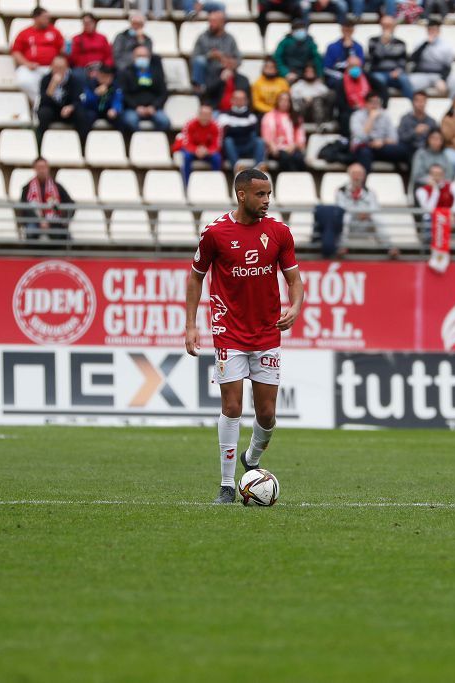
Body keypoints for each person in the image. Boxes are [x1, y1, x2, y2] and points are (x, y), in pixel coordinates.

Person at [185, 168, 304, 504]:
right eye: (260, 194)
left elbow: (295, 280)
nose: (267, 201)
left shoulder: (279, 233)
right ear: (242, 195)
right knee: (232, 405)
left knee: (266, 414)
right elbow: (195, 278)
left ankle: (251, 459)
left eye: (269, 194)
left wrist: (294, 308)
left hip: (267, 332)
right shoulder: (215, 233)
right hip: (229, 332)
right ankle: (225, 485)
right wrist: (191, 325)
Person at [335, 163, 399, 258]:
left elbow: (375, 208)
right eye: (354, 173)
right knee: (345, 217)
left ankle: (390, 248)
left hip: (365, 224)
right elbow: (341, 208)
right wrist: (357, 213)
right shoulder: (341, 191)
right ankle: (342, 247)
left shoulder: (370, 192)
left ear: (363, 176)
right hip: (350, 224)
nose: (356, 177)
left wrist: (367, 214)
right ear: (349, 175)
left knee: (377, 217)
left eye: (359, 174)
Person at [11, 7, 66, 104]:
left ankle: (44, 104)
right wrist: (27, 64)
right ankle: (41, 101)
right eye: (45, 17)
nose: (48, 20)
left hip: (51, 68)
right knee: (22, 81)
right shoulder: (25, 33)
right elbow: (16, 52)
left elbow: (62, 51)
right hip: (32, 68)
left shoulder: (54, 31)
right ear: (36, 18)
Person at [36, 55, 91, 149]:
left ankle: (82, 146)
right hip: (52, 109)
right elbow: (44, 100)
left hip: (68, 110)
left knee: (82, 115)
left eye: (61, 68)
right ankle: (41, 146)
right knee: (43, 113)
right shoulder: (46, 79)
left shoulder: (74, 80)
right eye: (55, 67)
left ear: (66, 68)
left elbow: (78, 99)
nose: (58, 70)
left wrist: (71, 107)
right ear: (51, 67)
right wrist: (52, 85)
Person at [17, 157, 73, 240]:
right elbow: (24, 207)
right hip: (34, 221)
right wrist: (39, 221)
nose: (42, 170)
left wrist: (64, 220)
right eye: (39, 168)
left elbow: (71, 204)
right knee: (31, 231)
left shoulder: (57, 187)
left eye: (44, 167)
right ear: (35, 169)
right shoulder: (27, 188)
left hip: (53, 221)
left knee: (59, 234)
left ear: (48, 168)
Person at [119, 45, 170, 134]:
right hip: (133, 109)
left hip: (153, 108)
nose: (142, 59)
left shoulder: (156, 72)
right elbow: (123, 93)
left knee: (164, 121)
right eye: (139, 56)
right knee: (130, 121)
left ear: (149, 57)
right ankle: (140, 142)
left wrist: (154, 106)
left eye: (144, 56)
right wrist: (136, 107)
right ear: (133, 57)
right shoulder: (126, 72)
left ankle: (154, 141)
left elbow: (163, 93)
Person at [350, 92, 405, 173]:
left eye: (377, 103)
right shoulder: (357, 116)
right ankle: (363, 184)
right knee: (365, 153)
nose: (375, 105)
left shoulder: (385, 115)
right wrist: (371, 118)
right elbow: (361, 137)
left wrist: (382, 142)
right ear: (366, 103)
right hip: (364, 147)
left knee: (404, 150)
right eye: (372, 102)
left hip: (381, 146)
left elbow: (394, 138)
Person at [190, 9, 240, 91]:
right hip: (207, 72)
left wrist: (226, 62)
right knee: (200, 60)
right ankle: (199, 90)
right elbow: (194, 59)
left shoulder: (230, 39)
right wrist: (210, 56)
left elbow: (238, 60)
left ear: (222, 22)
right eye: (209, 21)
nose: (210, 24)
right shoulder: (202, 37)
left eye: (214, 21)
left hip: (223, 72)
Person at [414, 163, 455, 241]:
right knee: (427, 217)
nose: (437, 177)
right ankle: (428, 241)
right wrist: (435, 190)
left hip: (449, 216)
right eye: (434, 174)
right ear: (429, 175)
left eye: (439, 174)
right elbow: (428, 209)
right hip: (433, 217)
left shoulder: (452, 185)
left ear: (443, 175)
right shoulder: (421, 191)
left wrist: (452, 213)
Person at [367, 15, 413, 101]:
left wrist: (398, 71)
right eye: (385, 25)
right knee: (378, 80)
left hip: (395, 73)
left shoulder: (401, 43)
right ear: (381, 26)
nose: (387, 28)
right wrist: (383, 44)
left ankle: (412, 105)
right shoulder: (373, 40)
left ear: (394, 27)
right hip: (378, 71)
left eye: (389, 25)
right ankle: (383, 105)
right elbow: (373, 59)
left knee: (405, 79)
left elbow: (403, 61)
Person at [406, 21, 455, 96]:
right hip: (422, 74)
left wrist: (443, 79)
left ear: (439, 31)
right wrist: (425, 44)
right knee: (409, 83)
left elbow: (448, 66)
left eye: (435, 30)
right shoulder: (419, 43)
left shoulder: (446, 46)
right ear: (427, 30)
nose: (433, 32)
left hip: (439, 75)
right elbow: (413, 59)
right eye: (430, 29)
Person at [217, 90, 265, 170]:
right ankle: (237, 168)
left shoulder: (252, 116)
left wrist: (234, 129)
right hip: (232, 147)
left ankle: (259, 168)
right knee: (228, 140)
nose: (239, 101)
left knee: (259, 141)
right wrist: (245, 128)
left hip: (248, 146)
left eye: (242, 99)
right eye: (236, 99)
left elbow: (254, 131)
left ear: (246, 101)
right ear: (231, 100)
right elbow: (227, 132)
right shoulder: (224, 115)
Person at [261, 91, 307, 172]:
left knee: (299, 158)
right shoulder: (268, 116)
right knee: (285, 158)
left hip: (292, 148)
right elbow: (266, 136)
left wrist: (294, 146)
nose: (284, 103)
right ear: (277, 102)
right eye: (282, 100)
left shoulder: (296, 117)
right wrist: (273, 146)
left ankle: (298, 181)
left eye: (287, 100)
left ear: (290, 103)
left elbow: (300, 136)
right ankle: (289, 181)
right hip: (275, 149)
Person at [177, 103, 222, 186]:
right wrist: (196, 150)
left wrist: (207, 151)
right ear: (198, 114)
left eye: (207, 115)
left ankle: (214, 184)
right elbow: (186, 143)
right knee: (186, 157)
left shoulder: (216, 126)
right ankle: (186, 185)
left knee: (217, 158)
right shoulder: (189, 124)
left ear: (211, 116)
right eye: (203, 114)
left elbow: (217, 145)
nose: (205, 117)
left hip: (207, 152)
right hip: (192, 151)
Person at [274, 19, 322, 84]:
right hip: (288, 75)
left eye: (302, 29)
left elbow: (317, 58)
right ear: (292, 31)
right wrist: (286, 73)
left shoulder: (310, 42)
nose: (300, 31)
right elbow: (277, 58)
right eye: (297, 29)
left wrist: (318, 75)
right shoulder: (284, 42)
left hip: (306, 74)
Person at [79, 63, 125, 132]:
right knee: (86, 117)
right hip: (93, 110)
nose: (105, 80)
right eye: (102, 77)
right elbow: (85, 102)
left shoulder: (115, 86)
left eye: (108, 77)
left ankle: (121, 139)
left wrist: (115, 109)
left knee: (119, 119)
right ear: (98, 75)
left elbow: (118, 99)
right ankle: (84, 140)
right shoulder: (90, 84)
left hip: (108, 110)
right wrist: (95, 94)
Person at [68, 13, 113, 81]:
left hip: (101, 67)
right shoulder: (76, 39)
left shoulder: (102, 38)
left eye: (89, 22)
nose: (87, 25)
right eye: (85, 23)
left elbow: (109, 55)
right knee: (77, 75)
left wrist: (105, 67)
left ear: (94, 23)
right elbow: (73, 58)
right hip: (83, 68)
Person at [336, 55, 371, 137]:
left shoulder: (368, 78)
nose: (355, 68)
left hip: (367, 108)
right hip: (350, 110)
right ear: (347, 67)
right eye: (352, 66)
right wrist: (356, 109)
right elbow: (340, 103)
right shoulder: (341, 82)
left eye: (357, 66)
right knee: (345, 117)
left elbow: (381, 89)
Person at [323, 20, 364, 88]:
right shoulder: (332, 47)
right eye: (346, 28)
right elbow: (327, 68)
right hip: (337, 78)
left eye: (350, 28)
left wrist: (350, 50)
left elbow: (360, 65)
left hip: (354, 76)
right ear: (342, 29)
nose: (347, 31)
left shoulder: (358, 47)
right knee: (342, 84)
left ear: (353, 30)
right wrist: (342, 76)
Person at [397, 90, 439, 155]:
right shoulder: (405, 119)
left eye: (422, 101)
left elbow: (437, 138)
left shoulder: (431, 121)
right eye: (417, 101)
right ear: (413, 102)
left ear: (426, 103)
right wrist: (415, 132)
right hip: (409, 149)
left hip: (427, 151)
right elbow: (401, 138)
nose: (420, 104)